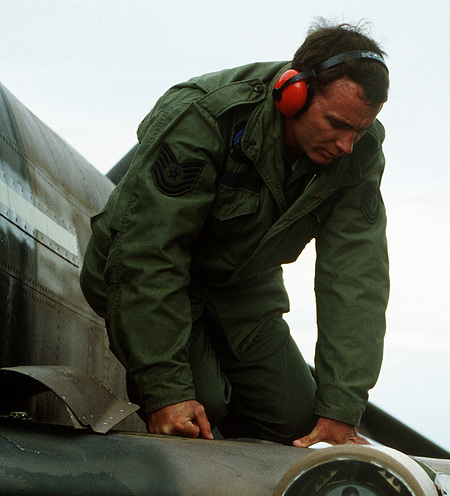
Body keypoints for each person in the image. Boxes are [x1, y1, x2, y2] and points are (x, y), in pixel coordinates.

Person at [80, 21, 389, 446]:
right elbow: (147, 252)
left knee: (298, 423)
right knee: (199, 407)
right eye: (336, 124)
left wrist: (341, 407)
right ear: (292, 93)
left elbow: (357, 277)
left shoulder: (359, 156)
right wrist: (165, 391)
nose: (346, 145)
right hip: (150, 271)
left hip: (242, 285)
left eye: (360, 129)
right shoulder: (204, 117)